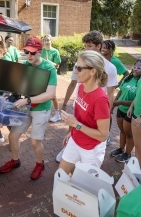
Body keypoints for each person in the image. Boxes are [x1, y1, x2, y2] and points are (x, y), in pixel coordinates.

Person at [0, 37, 57, 180]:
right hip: (25, 107)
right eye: (26, 52)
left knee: (35, 141)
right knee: (13, 136)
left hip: (41, 108)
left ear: (40, 52)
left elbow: (50, 94)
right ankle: (15, 160)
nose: (29, 55)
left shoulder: (49, 68)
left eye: (32, 53)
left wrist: (27, 100)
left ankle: (39, 164)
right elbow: (17, 86)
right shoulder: (25, 65)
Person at [56, 30, 118, 163]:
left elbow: (110, 94)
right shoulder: (81, 70)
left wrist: (106, 115)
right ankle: (71, 145)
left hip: (96, 109)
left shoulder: (110, 68)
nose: (86, 48)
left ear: (99, 46)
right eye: (85, 45)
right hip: (81, 102)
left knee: (84, 179)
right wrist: (66, 103)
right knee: (74, 123)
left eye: (89, 45)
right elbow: (73, 84)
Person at [58, 50, 110, 174]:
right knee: (61, 175)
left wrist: (76, 125)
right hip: (76, 140)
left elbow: (103, 135)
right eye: (76, 67)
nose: (75, 71)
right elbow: (78, 116)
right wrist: (72, 131)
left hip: (91, 149)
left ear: (93, 71)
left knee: (86, 187)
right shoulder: (81, 87)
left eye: (79, 68)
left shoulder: (100, 99)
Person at [111, 59, 141, 162]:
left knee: (129, 134)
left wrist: (121, 102)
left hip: (130, 111)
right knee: (122, 131)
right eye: (135, 66)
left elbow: (137, 100)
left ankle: (127, 154)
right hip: (120, 109)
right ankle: (121, 149)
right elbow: (120, 92)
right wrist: (114, 104)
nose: (136, 69)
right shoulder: (128, 78)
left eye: (139, 68)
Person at [40, 34, 62, 122]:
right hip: (42, 75)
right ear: (43, 42)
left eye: (48, 40)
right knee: (41, 93)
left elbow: (57, 65)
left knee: (53, 95)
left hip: (51, 75)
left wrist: (49, 62)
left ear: (51, 41)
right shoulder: (41, 51)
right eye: (45, 40)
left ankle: (57, 114)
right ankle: (43, 113)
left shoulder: (55, 51)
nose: (47, 42)